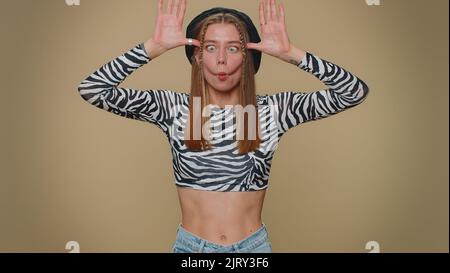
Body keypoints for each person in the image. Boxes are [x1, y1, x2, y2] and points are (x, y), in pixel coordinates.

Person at [77, 0, 369, 253]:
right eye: (211, 47)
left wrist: (291, 53)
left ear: (248, 56)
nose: (220, 60)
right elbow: (93, 90)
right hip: (192, 249)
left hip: (252, 249)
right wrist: (153, 48)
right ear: (197, 56)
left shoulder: (271, 111)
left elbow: (353, 92)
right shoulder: (176, 109)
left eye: (233, 48)